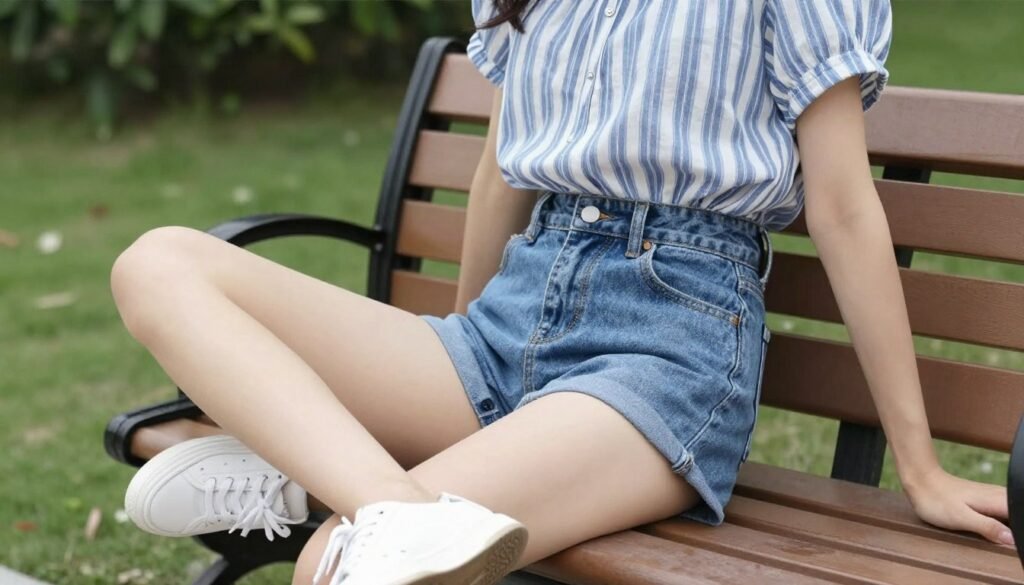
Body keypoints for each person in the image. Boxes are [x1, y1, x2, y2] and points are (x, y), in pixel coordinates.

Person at [110, 1, 1013, 584]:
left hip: (664, 344)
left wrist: (920, 466)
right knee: (159, 263)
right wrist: (453, 365)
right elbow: (503, 173)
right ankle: (366, 488)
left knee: (335, 569)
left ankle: (324, 490)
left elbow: (844, 207)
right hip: (511, 317)